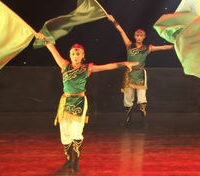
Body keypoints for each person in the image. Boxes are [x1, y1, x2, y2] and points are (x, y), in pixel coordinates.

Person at [36, 32, 136, 174]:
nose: (75, 56)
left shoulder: (87, 68)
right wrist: (44, 39)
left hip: (79, 102)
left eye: (78, 54)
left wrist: (124, 63)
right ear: (70, 55)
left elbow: (107, 66)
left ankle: (76, 161)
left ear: (83, 55)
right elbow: (53, 49)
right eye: (73, 54)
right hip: (65, 102)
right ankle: (68, 159)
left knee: (76, 132)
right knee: (65, 134)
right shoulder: (64, 65)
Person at [108, 14, 174, 128]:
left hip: (140, 74)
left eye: (141, 35)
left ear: (144, 37)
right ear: (134, 36)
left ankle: (144, 120)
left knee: (142, 97)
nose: (139, 37)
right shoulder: (129, 45)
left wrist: (175, 46)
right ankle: (128, 120)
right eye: (137, 35)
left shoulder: (147, 48)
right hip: (129, 74)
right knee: (128, 97)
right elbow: (121, 31)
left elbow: (162, 47)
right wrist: (113, 20)